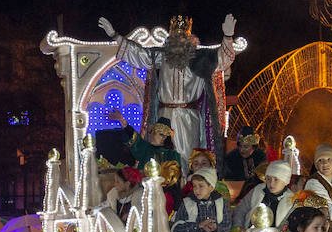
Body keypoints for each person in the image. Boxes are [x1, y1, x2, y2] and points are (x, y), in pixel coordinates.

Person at [102, 13, 238, 170]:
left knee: (187, 155)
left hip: (189, 118)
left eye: (183, 36)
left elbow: (223, 58)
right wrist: (115, 35)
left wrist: (228, 36)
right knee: (161, 155)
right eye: (175, 35)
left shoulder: (202, 59)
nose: (179, 39)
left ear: (190, 38)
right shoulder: (161, 57)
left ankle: (186, 183)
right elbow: (138, 54)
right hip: (164, 116)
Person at [171, 168, 240, 232]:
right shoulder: (187, 203)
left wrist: (216, 228)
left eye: (201, 186)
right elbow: (176, 228)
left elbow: (227, 226)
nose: (196, 190)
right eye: (194, 186)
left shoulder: (220, 203)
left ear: (211, 187)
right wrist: (197, 225)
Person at [234, 160, 296, 230]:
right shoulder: (258, 190)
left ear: (285, 181)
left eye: (276, 180)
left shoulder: (291, 200)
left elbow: (289, 226)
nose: (271, 183)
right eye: (268, 179)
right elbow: (241, 209)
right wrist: (239, 227)